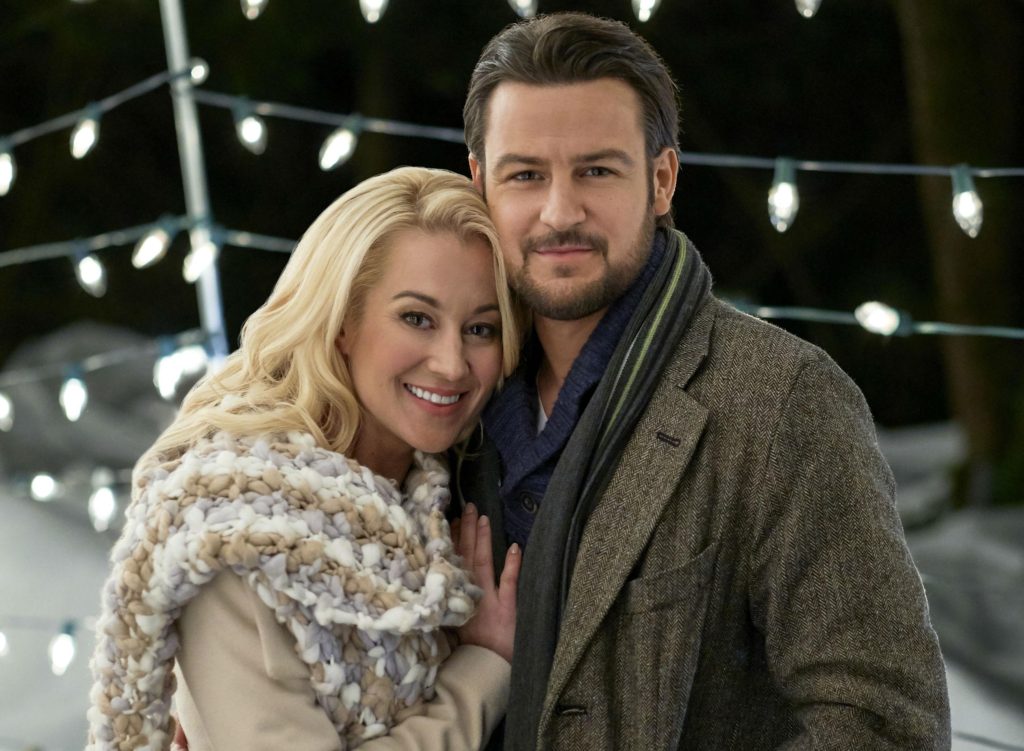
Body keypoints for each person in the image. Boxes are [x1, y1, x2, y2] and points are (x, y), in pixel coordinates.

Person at [455, 12, 951, 750]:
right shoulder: (448, 394)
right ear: (479, 183)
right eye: (526, 175)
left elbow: (884, 722)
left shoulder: (782, 399)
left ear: (661, 179)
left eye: (596, 170)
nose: (560, 211)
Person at [86, 167, 522, 751]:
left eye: (481, 328)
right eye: (416, 318)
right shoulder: (236, 531)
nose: (451, 362)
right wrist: (484, 667)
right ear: (342, 322)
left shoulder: (435, 502)